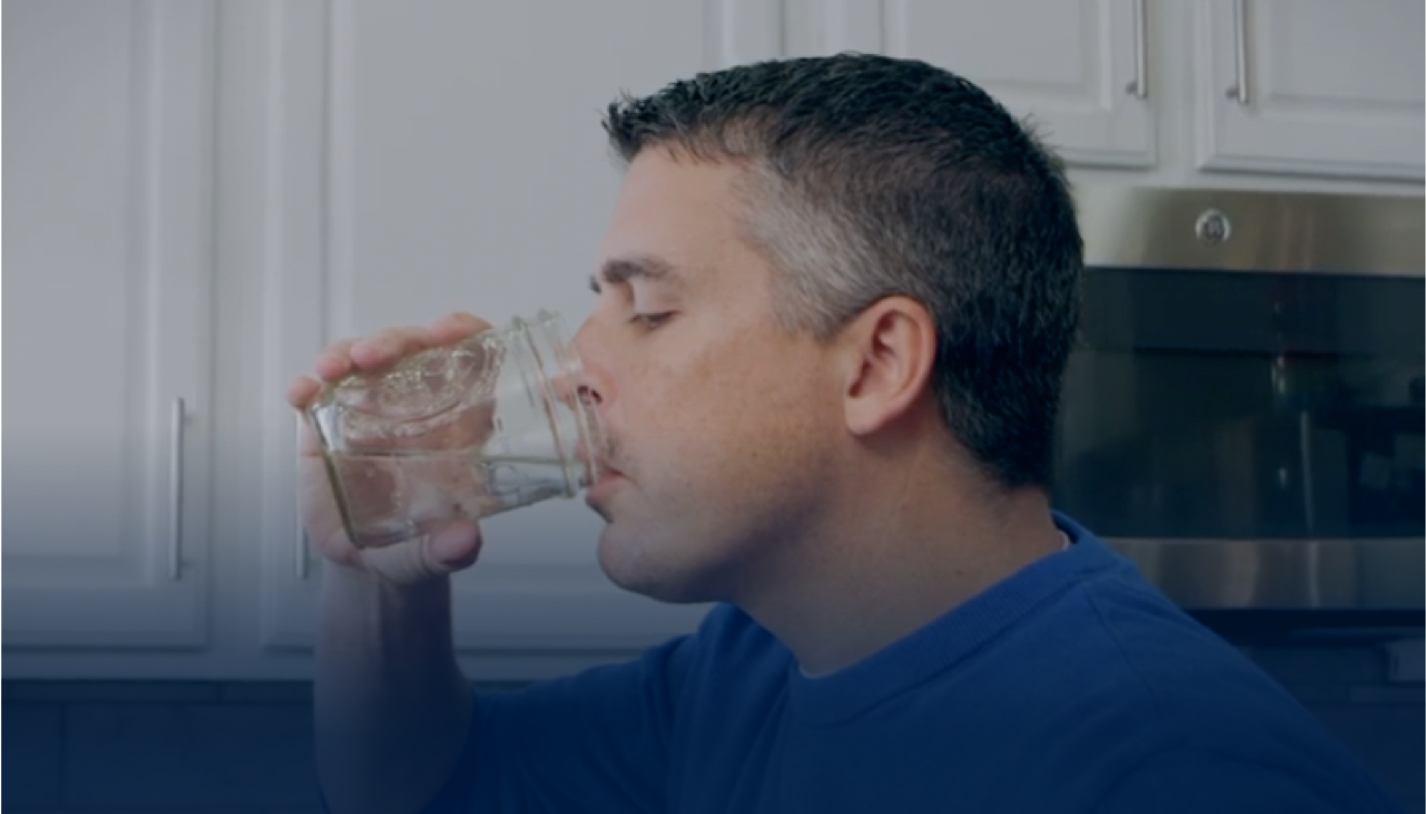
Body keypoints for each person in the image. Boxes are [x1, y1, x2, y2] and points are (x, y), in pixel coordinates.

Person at [289, 54, 1404, 814]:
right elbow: (423, 783)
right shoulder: (752, 664)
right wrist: (383, 576)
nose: (577, 368)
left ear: (875, 364)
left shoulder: (1175, 775)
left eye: (650, 308)